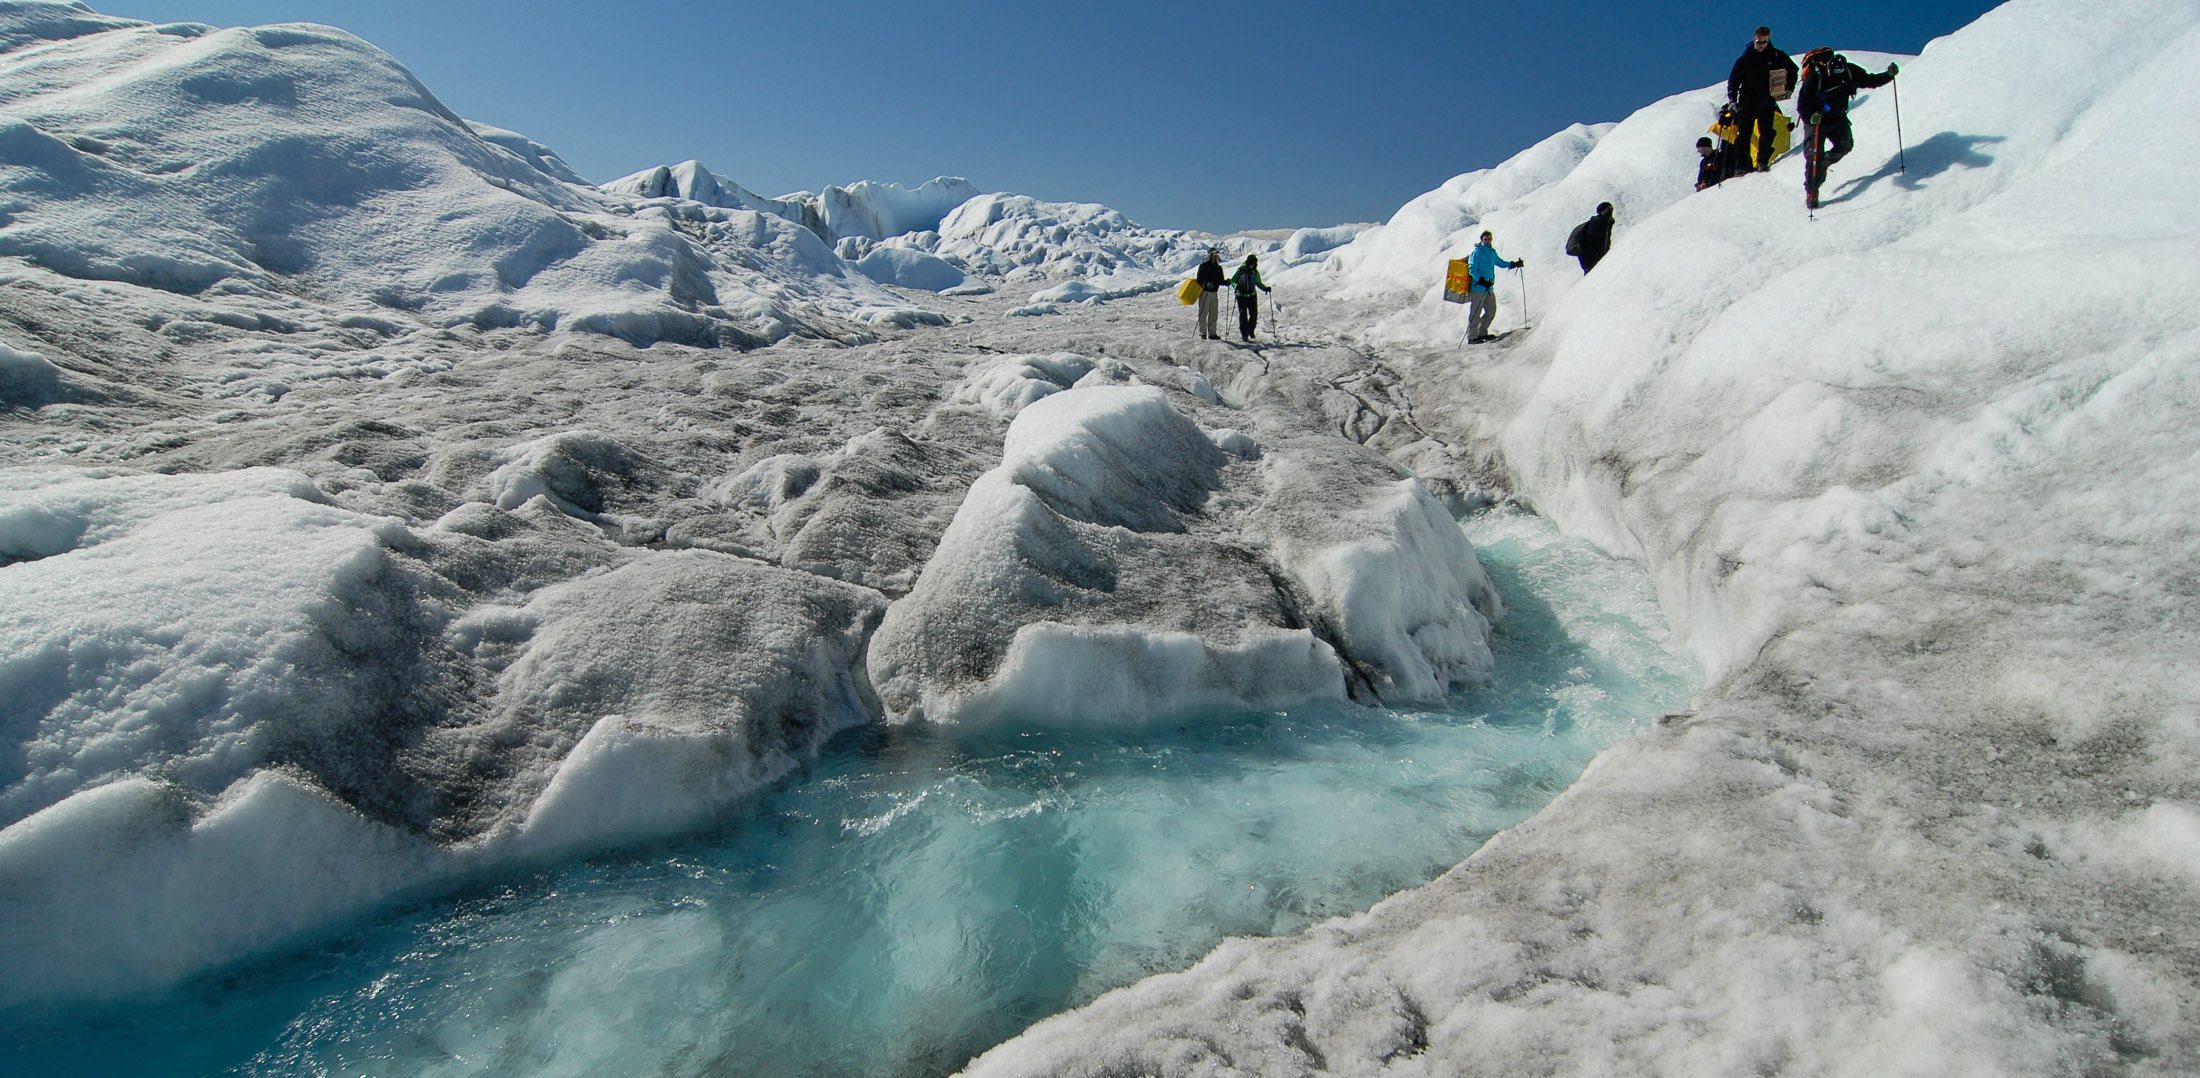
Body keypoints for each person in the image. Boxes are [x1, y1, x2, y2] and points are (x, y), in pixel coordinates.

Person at [1797, 50, 1899, 209]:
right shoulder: (1816, 78)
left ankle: (1825, 162)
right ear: (1829, 69)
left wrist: (1888, 75)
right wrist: (1811, 117)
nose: (1838, 76)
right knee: (1813, 155)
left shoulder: (1851, 72)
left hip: (1838, 118)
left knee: (1845, 145)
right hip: (1817, 121)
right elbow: (1802, 104)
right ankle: (1812, 191)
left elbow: (1870, 80)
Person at [1727, 26, 1798, 173]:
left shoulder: (1776, 56)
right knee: (1744, 135)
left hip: (1767, 101)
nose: (1761, 45)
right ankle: (1741, 166)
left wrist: (1789, 88)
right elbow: (1734, 80)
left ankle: (1762, 162)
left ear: (1769, 41)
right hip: (1747, 101)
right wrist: (1732, 100)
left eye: (1765, 42)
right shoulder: (1744, 60)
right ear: (1754, 40)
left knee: (1767, 133)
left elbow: (1793, 69)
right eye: (1759, 42)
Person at [1465, 231, 1521, 343]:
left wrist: (1513, 264)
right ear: (1481, 240)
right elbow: (1472, 269)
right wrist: (1481, 280)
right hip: (1478, 288)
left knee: (1491, 310)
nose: (1487, 241)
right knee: (1476, 312)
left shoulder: (1491, 252)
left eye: (1489, 239)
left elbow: (1500, 262)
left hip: (1488, 287)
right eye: (1485, 239)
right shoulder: (1477, 253)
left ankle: (1482, 332)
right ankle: (1472, 337)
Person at [1230, 254, 1271, 341]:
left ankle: (1250, 330)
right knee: (1243, 315)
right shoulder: (1241, 270)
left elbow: (1258, 283)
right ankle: (1244, 334)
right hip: (1241, 296)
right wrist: (1236, 286)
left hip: (1252, 296)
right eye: (1251, 263)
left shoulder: (1255, 272)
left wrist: (1265, 288)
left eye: (1253, 264)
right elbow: (1233, 280)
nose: (1252, 265)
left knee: (1254, 314)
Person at [1567, 203, 1615, 274]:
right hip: (1592, 259)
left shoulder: (1603, 221)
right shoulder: (1598, 222)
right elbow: (1594, 239)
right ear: (1603, 211)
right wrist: (1598, 254)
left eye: (1611, 209)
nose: (1611, 211)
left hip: (1592, 259)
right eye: (1609, 209)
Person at [1194, 248, 1228, 339]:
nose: (1216, 255)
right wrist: (1205, 284)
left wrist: (1226, 282)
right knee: (1203, 313)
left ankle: (1212, 333)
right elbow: (1199, 279)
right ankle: (1203, 333)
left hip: (1213, 292)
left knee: (1213, 313)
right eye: (1214, 254)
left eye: (1216, 254)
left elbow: (1220, 280)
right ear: (1210, 255)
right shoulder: (1204, 266)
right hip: (1205, 292)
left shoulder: (1218, 267)